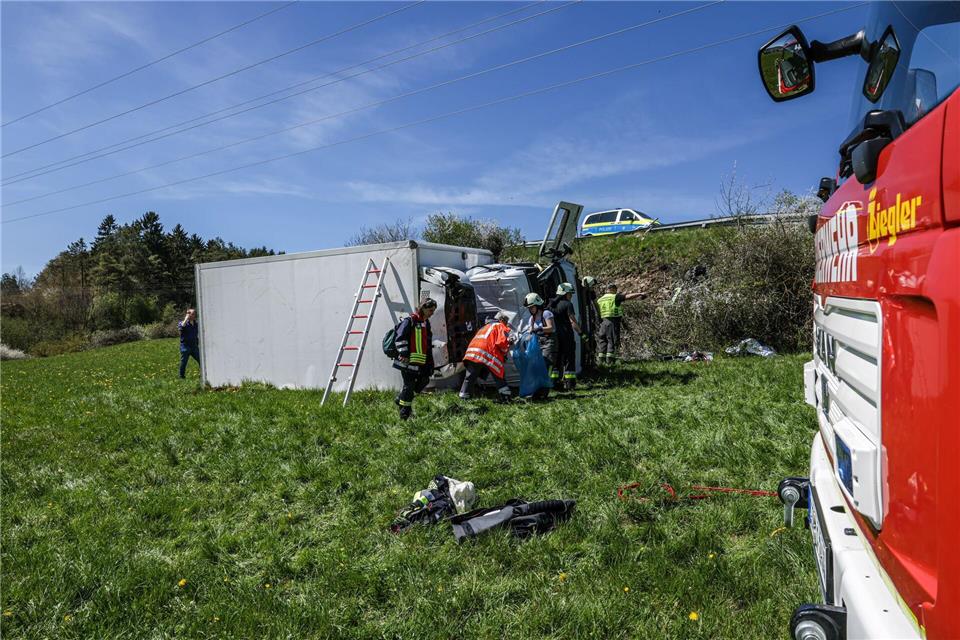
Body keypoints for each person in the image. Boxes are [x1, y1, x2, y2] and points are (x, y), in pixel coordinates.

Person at [393, 298, 437, 420]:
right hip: (407, 361)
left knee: (424, 381)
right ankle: (405, 414)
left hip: (421, 361)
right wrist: (404, 354)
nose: (432, 313)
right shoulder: (410, 321)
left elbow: (427, 344)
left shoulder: (426, 323)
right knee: (409, 385)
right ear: (422, 308)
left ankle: (400, 398)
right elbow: (400, 338)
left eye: (433, 310)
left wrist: (430, 363)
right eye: (430, 310)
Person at [459, 311, 513, 402]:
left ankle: (464, 397)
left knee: (470, 376)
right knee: (498, 373)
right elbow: (502, 343)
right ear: (501, 320)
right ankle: (505, 397)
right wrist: (505, 350)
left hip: (472, 352)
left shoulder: (484, 327)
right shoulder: (499, 326)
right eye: (506, 322)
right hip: (486, 352)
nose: (506, 324)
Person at [548, 282, 585, 390]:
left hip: (554, 337)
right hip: (566, 336)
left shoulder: (551, 305)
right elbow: (572, 321)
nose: (571, 296)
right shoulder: (568, 304)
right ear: (565, 293)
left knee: (556, 361)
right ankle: (570, 384)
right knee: (569, 359)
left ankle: (554, 384)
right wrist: (581, 333)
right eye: (570, 293)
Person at [596, 283, 644, 365]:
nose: (616, 291)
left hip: (603, 322)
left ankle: (600, 361)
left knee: (602, 341)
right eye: (615, 290)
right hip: (612, 322)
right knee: (612, 341)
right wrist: (640, 294)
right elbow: (628, 297)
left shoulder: (600, 299)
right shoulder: (614, 297)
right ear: (613, 289)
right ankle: (610, 361)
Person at [523, 292, 556, 376]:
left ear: (538, 305)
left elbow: (551, 328)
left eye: (532, 307)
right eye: (529, 308)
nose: (530, 309)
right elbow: (530, 330)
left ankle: (546, 384)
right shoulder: (532, 318)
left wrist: (539, 328)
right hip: (537, 342)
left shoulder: (546, 313)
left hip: (548, 342)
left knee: (546, 363)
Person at [178, 308, 201, 378]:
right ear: (188, 314)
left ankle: (204, 374)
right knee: (184, 362)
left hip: (194, 346)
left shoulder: (196, 324)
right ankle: (181, 376)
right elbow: (181, 327)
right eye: (192, 314)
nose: (194, 315)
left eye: (194, 314)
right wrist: (186, 319)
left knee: (201, 360)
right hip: (185, 347)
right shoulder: (182, 323)